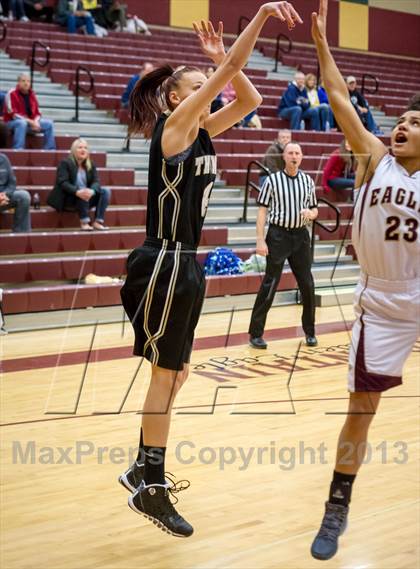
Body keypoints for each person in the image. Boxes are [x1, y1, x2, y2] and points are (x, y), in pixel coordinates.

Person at [118, 3, 303, 538]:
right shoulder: (175, 127)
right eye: (200, 86)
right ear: (179, 98)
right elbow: (232, 75)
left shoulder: (202, 131)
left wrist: (222, 60)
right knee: (165, 376)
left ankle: (141, 468)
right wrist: (260, 16)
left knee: (177, 374)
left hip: (186, 263)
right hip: (163, 261)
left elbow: (250, 99)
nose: (211, 90)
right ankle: (151, 487)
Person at [310, 0, 420, 561]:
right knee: (361, 409)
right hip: (380, 303)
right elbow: (338, 98)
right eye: (402, 120)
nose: (403, 126)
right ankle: (337, 507)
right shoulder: (375, 157)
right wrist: (322, 45)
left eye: (416, 124)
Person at [248, 142, 318, 349]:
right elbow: (262, 211)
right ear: (284, 157)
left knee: (307, 284)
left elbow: (315, 209)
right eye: (290, 153)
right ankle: (256, 333)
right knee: (270, 283)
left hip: (301, 236)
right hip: (278, 235)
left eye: (297, 153)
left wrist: (311, 214)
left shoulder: (308, 181)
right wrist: (260, 239)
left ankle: (310, 332)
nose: (294, 156)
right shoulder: (272, 180)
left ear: (301, 157)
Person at [47, 138, 111, 230]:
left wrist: (92, 191)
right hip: (68, 198)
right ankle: (84, 222)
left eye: (85, 148)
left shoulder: (91, 164)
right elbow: (62, 182)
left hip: (85, 199)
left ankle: (97, 222)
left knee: (106, 191)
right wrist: (77, 191)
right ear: (74, 150)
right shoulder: (65, 163)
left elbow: (96, 181)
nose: (83, 150)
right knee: (82, 191)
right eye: (80, 147)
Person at [3, 73, 56, 150]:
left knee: (49, 124)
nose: (26, 83)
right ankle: (18, 149)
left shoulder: (32, 94)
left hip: (29, 123)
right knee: (21, 123)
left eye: (28, 81)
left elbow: (37, 113)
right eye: (23, 81)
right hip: (11, 122)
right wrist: (31, 122)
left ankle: (50, 150)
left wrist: (36, 122)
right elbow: (13, 114)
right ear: (18, 82)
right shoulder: (11, 93)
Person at [0, 123, 32, 232]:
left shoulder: (3, 159)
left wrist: (5, 195)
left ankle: (20, 235)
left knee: (23, 196)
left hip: (3, 199)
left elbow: (12, 183)